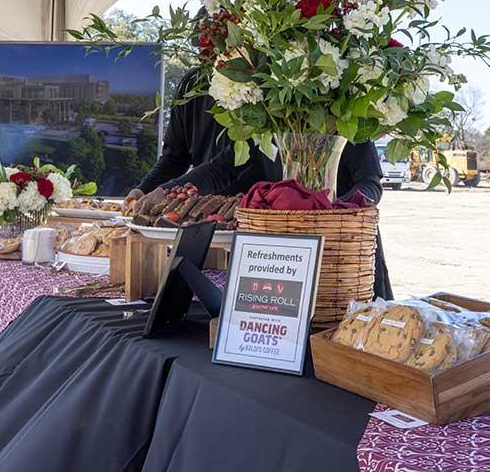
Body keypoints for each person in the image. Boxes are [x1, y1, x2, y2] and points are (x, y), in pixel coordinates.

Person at [126, 67, 393, 299]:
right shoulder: (265, 117)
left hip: (344, 255)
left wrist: (337, 212)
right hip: (282, 257)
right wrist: (167, 192)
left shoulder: (346, 111)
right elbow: (223, 168)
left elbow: (370, 183)